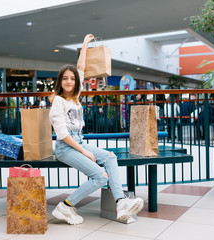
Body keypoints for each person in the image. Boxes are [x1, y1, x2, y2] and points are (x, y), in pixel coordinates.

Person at [49, 34, 144, 225]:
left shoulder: (76, 98)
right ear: (60, 81)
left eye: (72, 79)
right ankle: (66, 206)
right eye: (65, 79)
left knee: (110, 157)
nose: (69, 81)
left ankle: (120, 202)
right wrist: (84, 151)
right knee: (100, 177)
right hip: (65, 147)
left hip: (78, 142)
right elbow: (63, 134)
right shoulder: (57, 102)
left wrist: (84, 45)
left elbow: (81, 68)